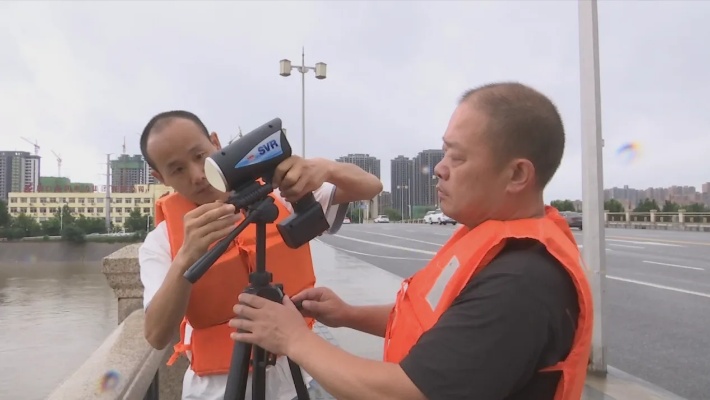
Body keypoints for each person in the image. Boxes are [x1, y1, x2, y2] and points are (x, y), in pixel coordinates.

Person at [229, 82, 594, 400]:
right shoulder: (491, 241)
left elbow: (408, 392)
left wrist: (294, 340)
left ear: (517, 174)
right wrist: (347, 316)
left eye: (457, 156)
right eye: (443, 152)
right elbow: (445, 326)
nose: (439, 167)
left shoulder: (522, 281)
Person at [137, 110, 383, 400]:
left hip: (297, 380)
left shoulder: (279, 196)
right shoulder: (161, 242)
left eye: (199, 155)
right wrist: (186, 257)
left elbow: (371, 186)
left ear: (215, 142)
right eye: (177, 169)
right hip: (215, 391)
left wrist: (325, 169)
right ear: (159, 177)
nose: (197, 175)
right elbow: (157, 335)